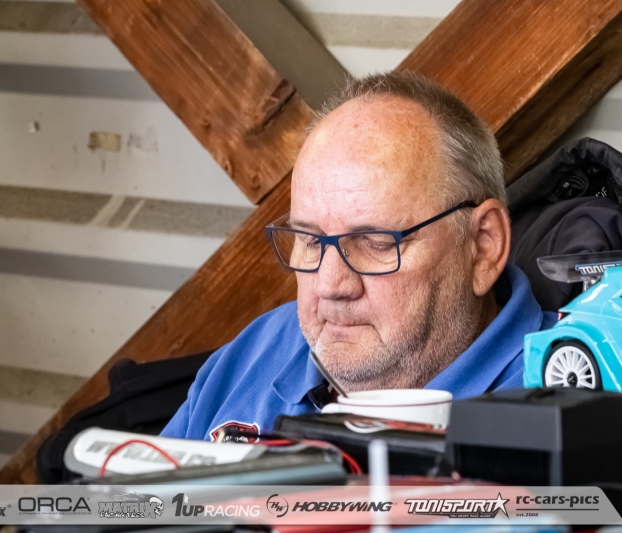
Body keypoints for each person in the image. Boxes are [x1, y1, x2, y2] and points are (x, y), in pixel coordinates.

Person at [161, 72, 557, 442]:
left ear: (483, 246)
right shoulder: (255, 353)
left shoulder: (566, 408)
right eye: (310, 240)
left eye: (374, 241)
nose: (330, 285)